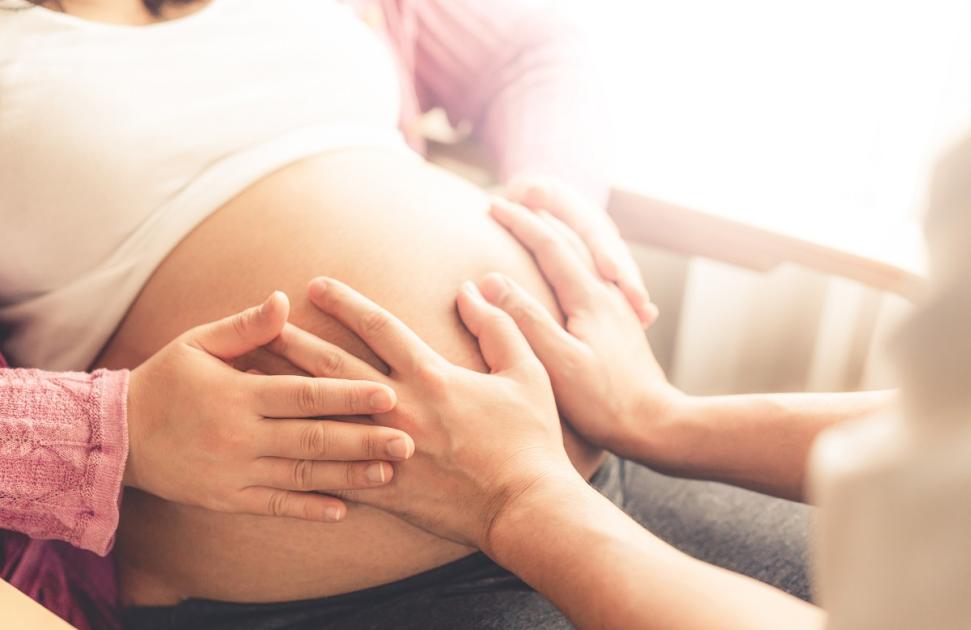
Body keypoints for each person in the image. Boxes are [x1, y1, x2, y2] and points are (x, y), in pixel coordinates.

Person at [1, 0, 812, 627]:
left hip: (599, 476)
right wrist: (116, 431)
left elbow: (528, 52)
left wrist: (549, 197)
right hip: (332, 600)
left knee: (925, 585)